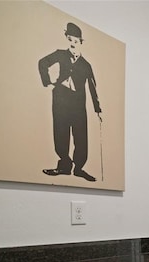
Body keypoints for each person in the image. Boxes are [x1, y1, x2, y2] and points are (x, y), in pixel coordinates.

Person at [38, 22, 102, 182]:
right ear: (67, 39)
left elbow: (92, 87)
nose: (72, 44)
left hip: (78, 103)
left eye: (76, 41)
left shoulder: (86, 65)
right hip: (60, 99)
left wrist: (97, 109)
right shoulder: (60, 54)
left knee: (80, 135)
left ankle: (79, 168)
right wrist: (48, 82)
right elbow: (42, 62)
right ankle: (64, 166)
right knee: (61, 132)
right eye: (70, 40)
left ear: (81, 42)